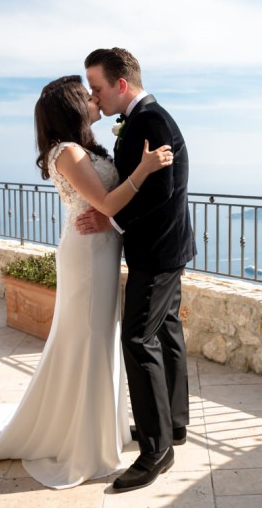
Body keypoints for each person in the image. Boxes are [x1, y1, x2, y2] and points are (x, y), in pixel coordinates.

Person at [0, 75, 173, 488]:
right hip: (87, 257)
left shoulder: (84, 148)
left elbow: (107, 206)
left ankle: (101, 431)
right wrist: (145, 168)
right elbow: (107, 202)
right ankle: (84, 441)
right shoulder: (67, 152)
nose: (94, 97)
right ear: (71, 108)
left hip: (100, 250)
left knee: (98, 338)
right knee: (87, 339)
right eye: (86, 95)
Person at [76, 47, 195, 494]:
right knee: (165, 331)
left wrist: (112, 218)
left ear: (121, 84)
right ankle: (174, 425)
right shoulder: (146, 119)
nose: (95, 95)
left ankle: (155, 449)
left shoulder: (151, 122)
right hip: (166, 248)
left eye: (98, 87)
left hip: (157, 251)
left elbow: (161, 194)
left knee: (137, 339)